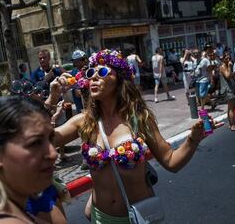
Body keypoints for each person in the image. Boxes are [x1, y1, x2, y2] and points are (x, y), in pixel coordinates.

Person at [47, 49, 213, 223]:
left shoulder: (139, 119)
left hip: (136, 217)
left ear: (119, 80)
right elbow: (43, 139)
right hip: (101, 218)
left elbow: (171, 161)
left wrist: (193, 140)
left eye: (102, 72)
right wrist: (52, 98)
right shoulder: (83, 122)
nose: (94, 77)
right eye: (90, 73)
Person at [220, 52, 235, 131]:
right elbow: (227, 76)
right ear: (223, 59)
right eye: (226, 59)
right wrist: (230, 67)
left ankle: (231, 124)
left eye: (229, 58)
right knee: (232, 108)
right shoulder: (223, 66)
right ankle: (233, 125)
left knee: (230, 107)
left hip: (231, 88)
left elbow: (230, 75)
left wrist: (234, 73)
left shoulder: (226, 66)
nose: (228, 60)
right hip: (228, 90)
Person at [195, 44, 216, 110]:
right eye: (194, 53)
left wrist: (211, 79)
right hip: (197, 80)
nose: (195, 54)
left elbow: (209, 70)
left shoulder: (205, 60)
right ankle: (212, 102)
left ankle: (202, 108)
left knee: (202, 95)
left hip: (204, 80)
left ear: (200, 53)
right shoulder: (196, 61)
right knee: (200, 95)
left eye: (197, 53)